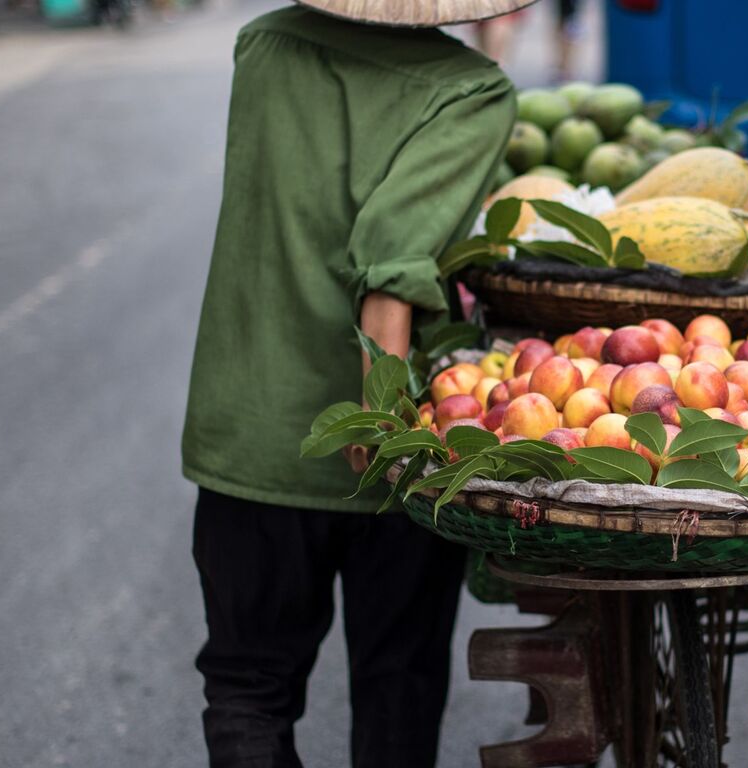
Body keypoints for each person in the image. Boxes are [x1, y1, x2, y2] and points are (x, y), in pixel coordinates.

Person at [179, 0, 530, 765]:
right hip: (385, 448)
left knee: (247, 689)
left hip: (246, 434)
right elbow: (391, 272)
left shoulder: (262, 47)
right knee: (396, 689)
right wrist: (379, 426)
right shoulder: (470, 91)